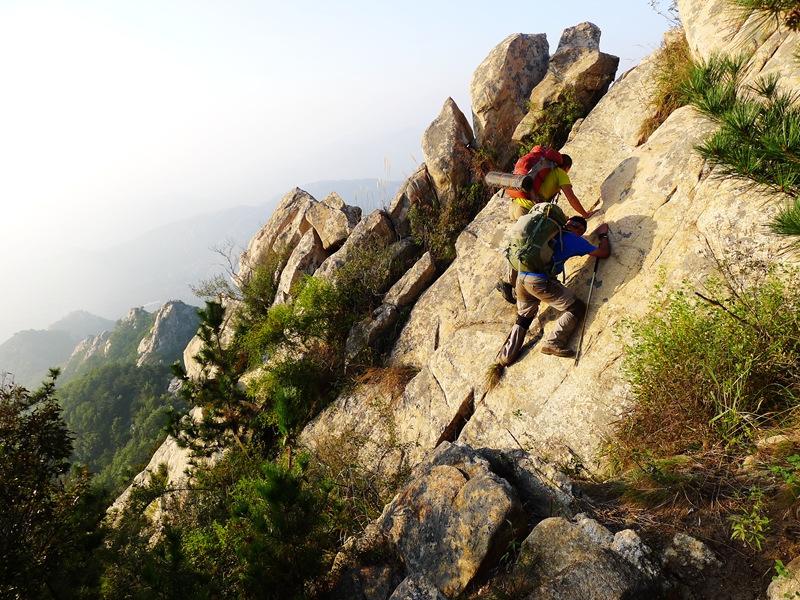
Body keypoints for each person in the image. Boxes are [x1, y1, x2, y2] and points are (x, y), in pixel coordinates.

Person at [498, 217, 611, 364]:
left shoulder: (548, 234)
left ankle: (504, 357)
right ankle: (554, 342)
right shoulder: (574, 239)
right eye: (581, 232)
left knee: (524, 317)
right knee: (576, 307)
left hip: (522, 276)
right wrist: (603, 235)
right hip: (538, 282)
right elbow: (603, 253)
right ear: (579, 230)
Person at [498, 153, 597, 303]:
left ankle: (511, 282)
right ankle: (515, 285)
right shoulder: (560, 173)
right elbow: (571, 197)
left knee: (521, 244)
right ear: (566, 167)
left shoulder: (543, 172)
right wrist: (585, 214)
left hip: (516, 206)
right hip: (526, 209)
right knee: (526, 247)